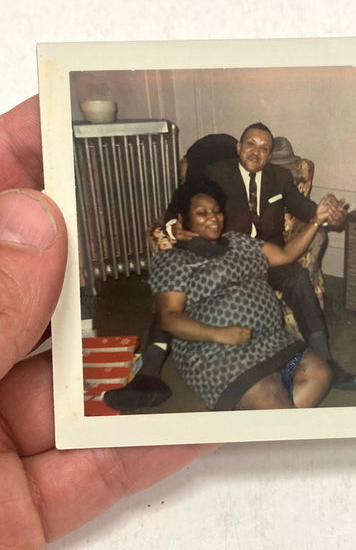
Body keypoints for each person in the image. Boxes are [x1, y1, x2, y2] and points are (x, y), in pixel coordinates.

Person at [0, 96, 215, 547]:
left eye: (259, 147)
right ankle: (150, 377)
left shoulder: (263, 185)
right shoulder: (197, 190)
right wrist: (182, 237)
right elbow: (172, 227)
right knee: (166, 306)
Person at [106, 124, 356, 412]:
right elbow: (184, 201)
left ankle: (325, 357)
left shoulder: (280, 177)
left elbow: (307, 210)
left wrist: (331, 216)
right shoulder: (217, 174)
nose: (256, 152)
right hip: (227, 257)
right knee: (181, 281)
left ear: (269, 156)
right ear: (239, 147)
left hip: (267, 254)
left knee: (298, 276)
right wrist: (173, 227)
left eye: (264, 148)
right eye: (250, 144)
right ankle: (150, 373)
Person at [150, 178, 334, 410]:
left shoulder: (238, 242)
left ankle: (256, 417)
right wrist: (219, 334)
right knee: (272, 397)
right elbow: (169, 318)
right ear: (183, 220)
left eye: (217, 211)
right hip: (216, 350)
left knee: (320, 374)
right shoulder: (174, 259)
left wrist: (316, 221)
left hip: (269, 340)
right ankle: (266, 417)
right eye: (201, 213)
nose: (213, 217)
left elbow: (286, 254)